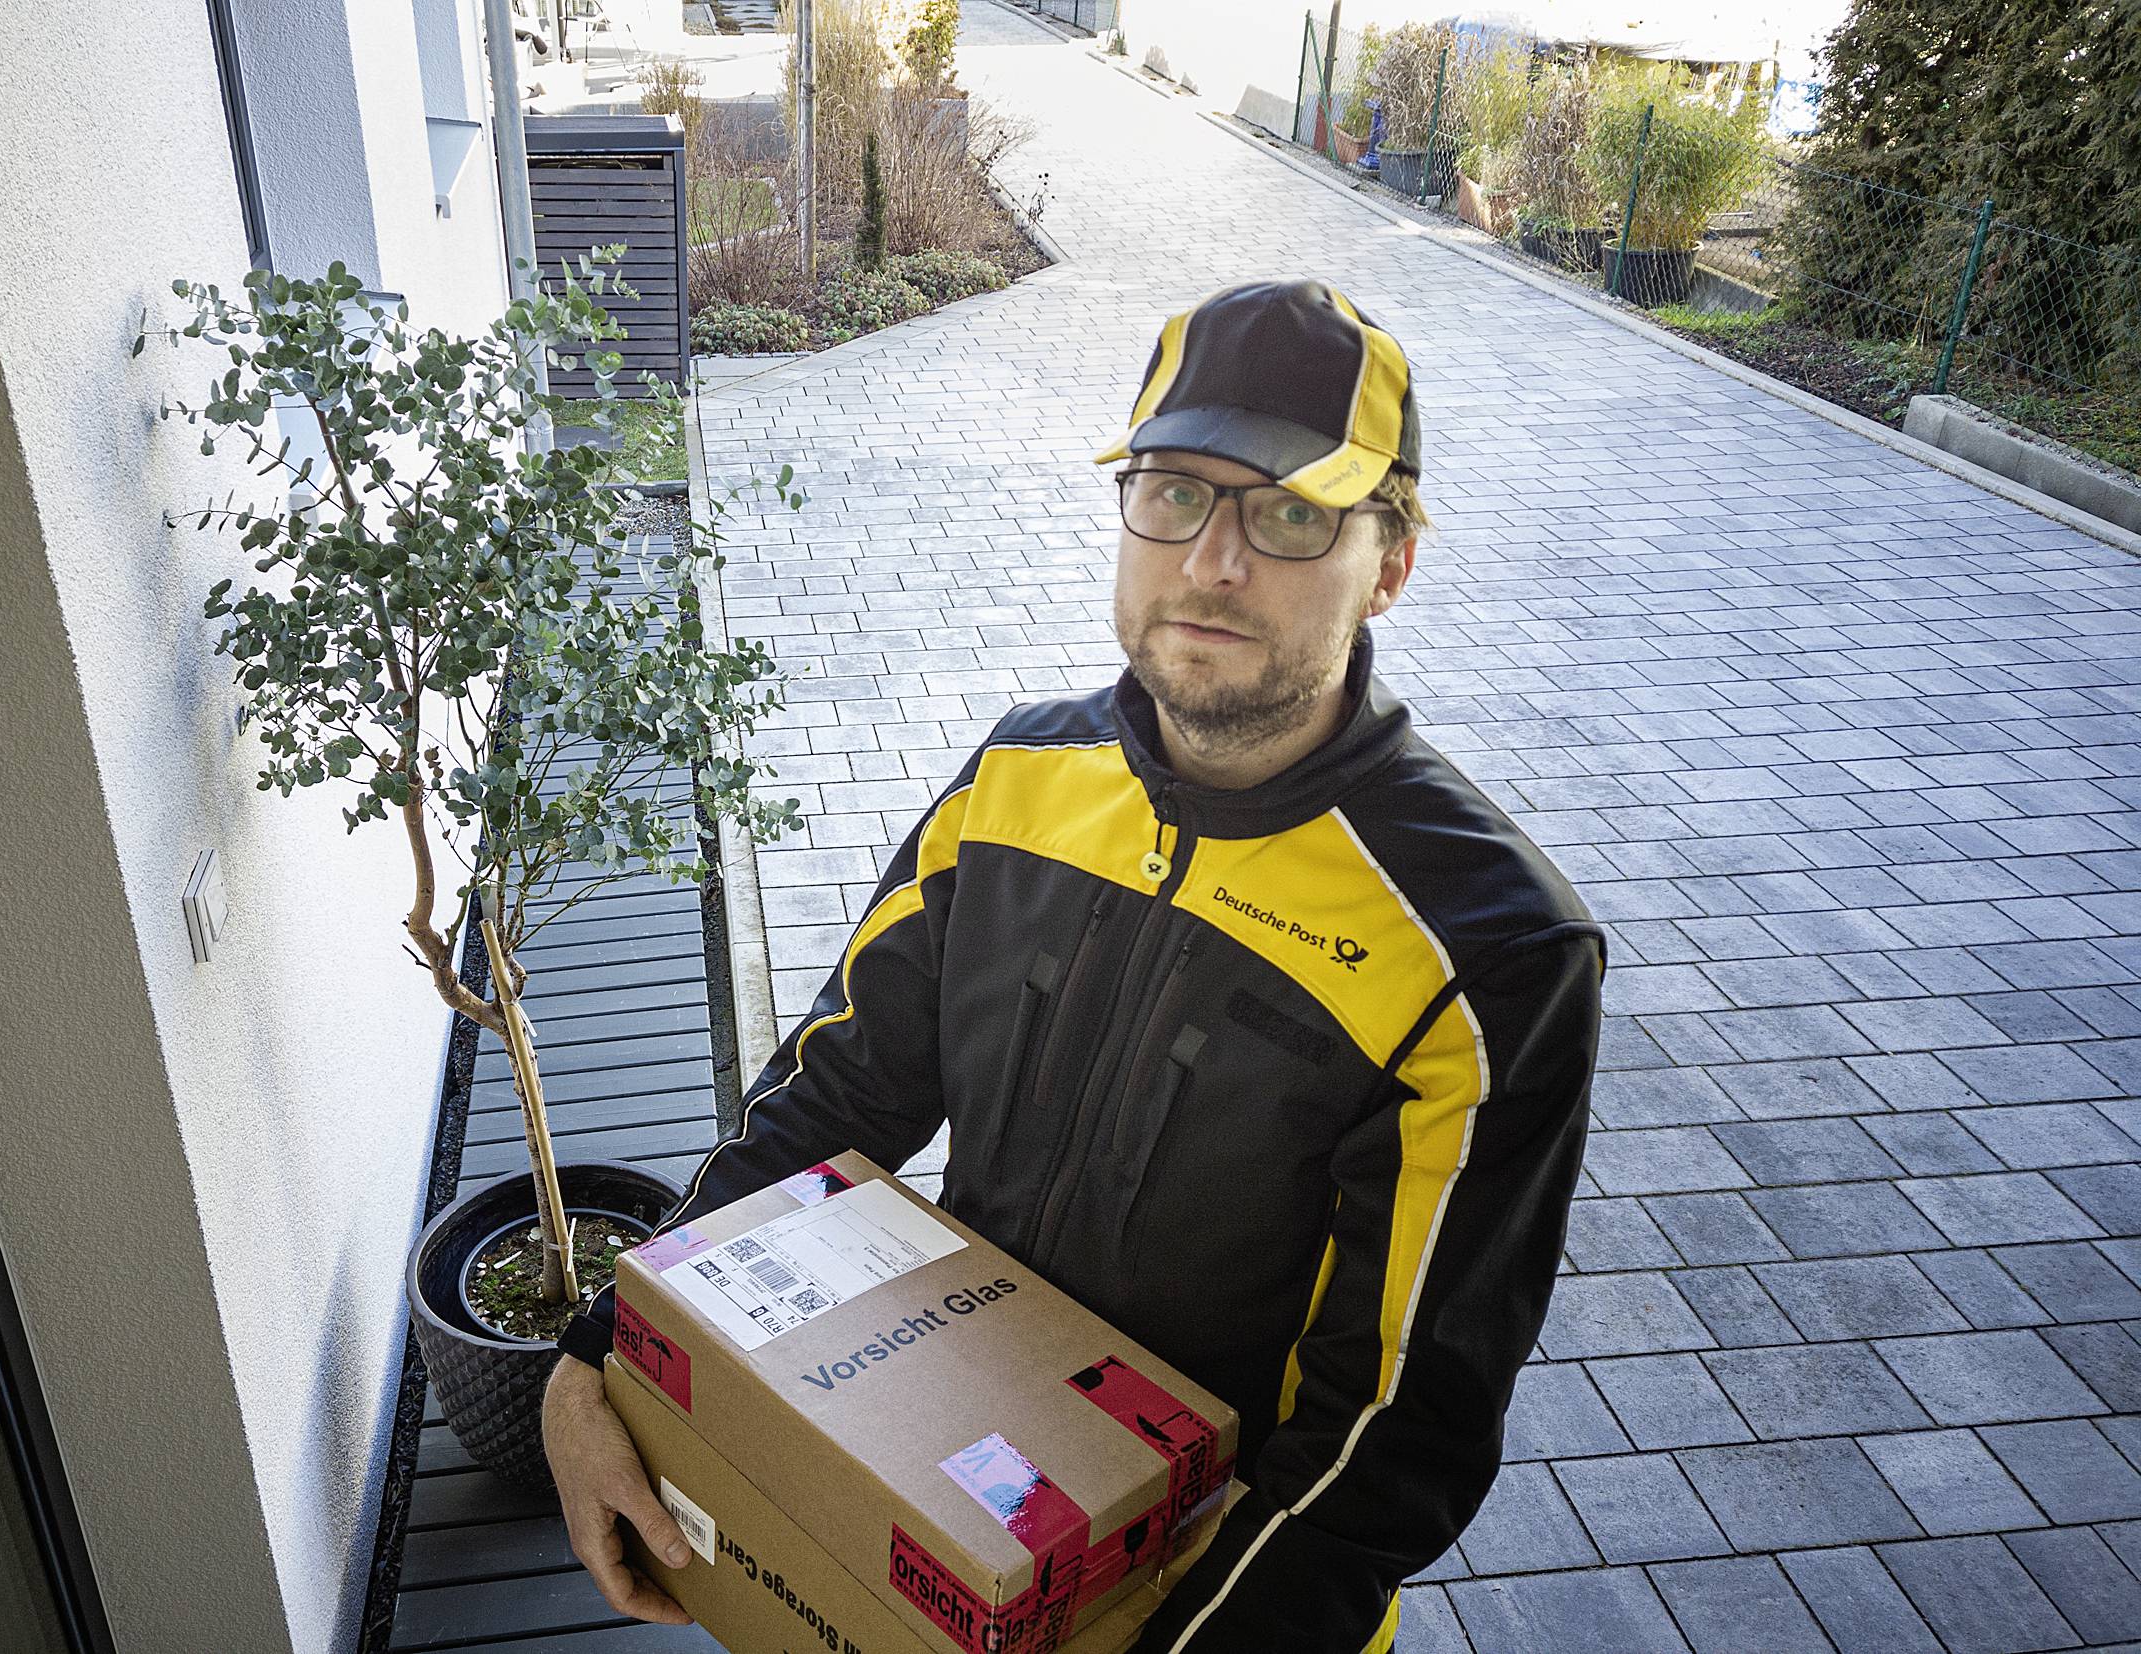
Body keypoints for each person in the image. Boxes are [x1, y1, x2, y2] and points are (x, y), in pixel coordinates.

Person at [542, 277, 1606, 1652]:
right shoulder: (1018, 780)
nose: (1214, 561)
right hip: (951, 1526)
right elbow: (832, 1098)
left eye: (1290, 514)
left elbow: (1390, 1441)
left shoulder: (1484, 950)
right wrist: (598, 1356)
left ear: (1392, 560)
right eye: (1174, 491)